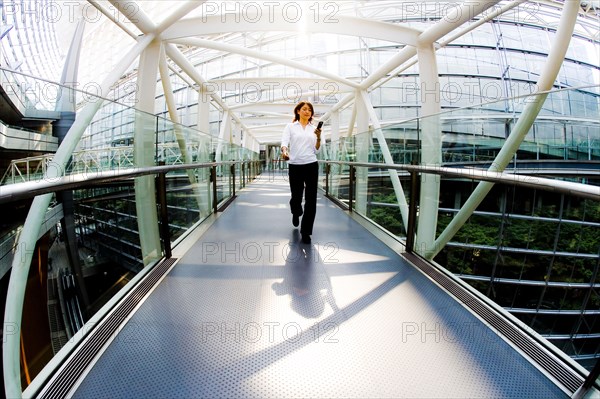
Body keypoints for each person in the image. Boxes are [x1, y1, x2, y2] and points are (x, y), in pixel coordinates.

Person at [281, 101, 322, 244]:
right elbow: (284, 143)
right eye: (304, 109)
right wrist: (285, 152)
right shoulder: (290, 126)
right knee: (296, 195)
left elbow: (317, 150)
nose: (307, 112)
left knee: (311, 199)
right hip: (295, 165)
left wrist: (319, 137)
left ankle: (306, 232)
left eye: (310, 110)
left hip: (311, 164)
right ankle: (296, 212)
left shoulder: (313, 129)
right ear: (298, 111)